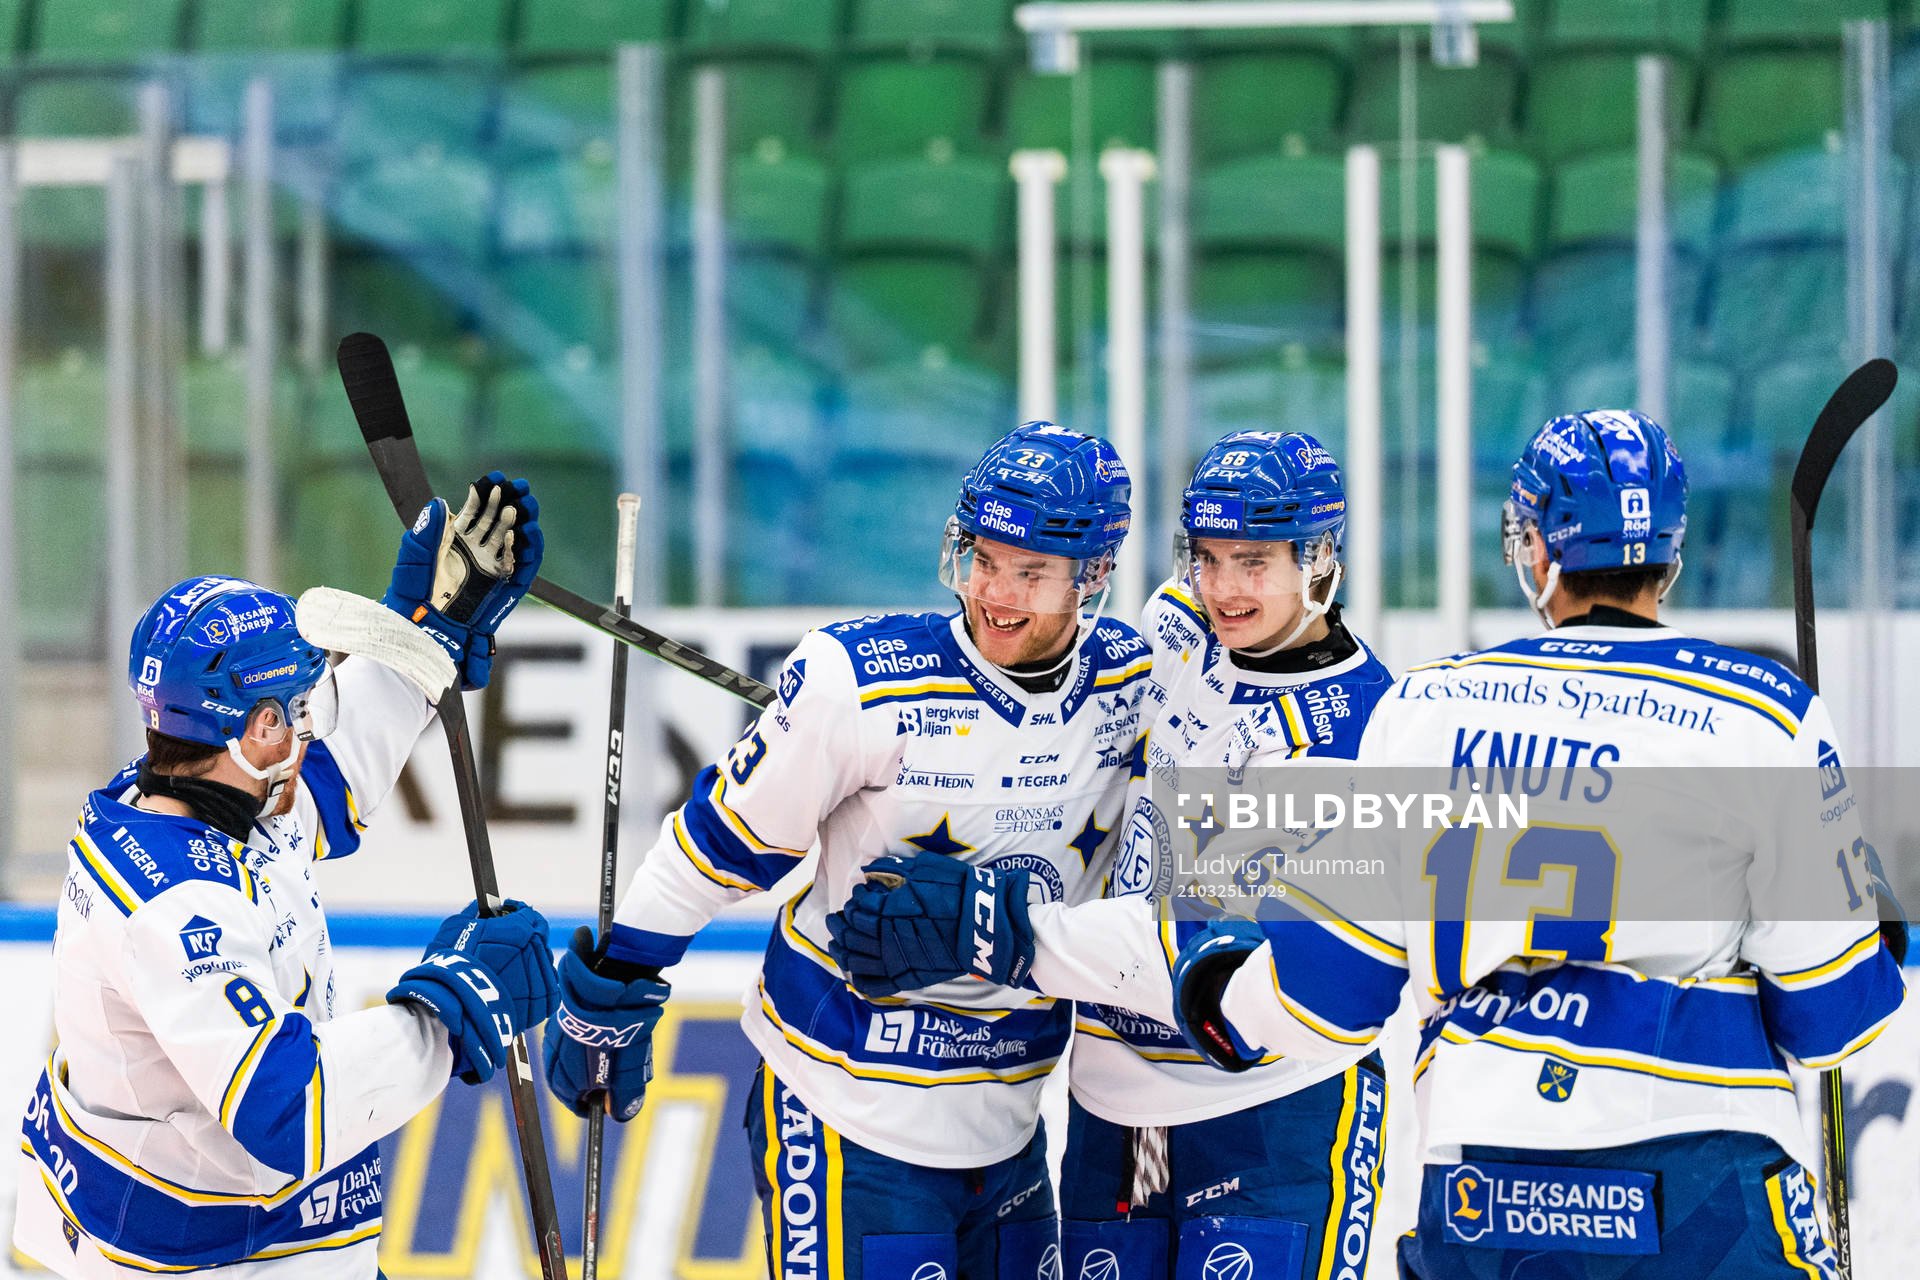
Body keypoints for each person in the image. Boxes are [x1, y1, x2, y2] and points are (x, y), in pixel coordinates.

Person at [1167, 411, 1909, 1278]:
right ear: (1670, 554)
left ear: (1537, 552)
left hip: (1480, 1185)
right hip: (1703, 1186)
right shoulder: (1763, 714)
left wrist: (1219, 997)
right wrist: (1872, 927)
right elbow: (1832, 1019)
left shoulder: (1425, 707)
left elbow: (1327, 998)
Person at [542, 423, 1149, 1279]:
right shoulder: (855, 678)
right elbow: (715, 846)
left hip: (1011, 1122)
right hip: (845, 1107)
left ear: (1094, 575)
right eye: (982, 558)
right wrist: (617, 986)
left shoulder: (1136, 683)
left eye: (1031, 573)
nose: (995, 593)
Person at [828, 431, 1399, 1279]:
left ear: (1317, 559)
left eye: (1253, 563)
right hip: (1118, 1115)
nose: (1223, 589)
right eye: (1207, 558)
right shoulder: (1175, 628)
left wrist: (988, 925)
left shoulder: (1356, 732)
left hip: (1270, 1111)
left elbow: (1214, 949)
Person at [14, 475, 559, 1277]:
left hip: (249, 1233)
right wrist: (449, 1010)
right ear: (259, 728)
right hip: (204, 1258)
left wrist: (424, 640)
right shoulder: (173, 905)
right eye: (298, 706)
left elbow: (330, 780)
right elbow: (286, 1110)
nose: (312, 723)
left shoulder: (207, 794)